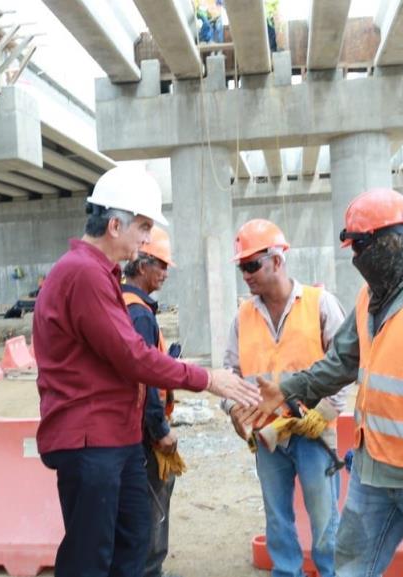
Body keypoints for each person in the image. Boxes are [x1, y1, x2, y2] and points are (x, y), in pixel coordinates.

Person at [242, 188, 403, 577]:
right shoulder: (368, 298)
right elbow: (340, 361)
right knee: (350, 568)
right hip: (372, 473)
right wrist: (289, 388)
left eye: (360, 246)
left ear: (393, 240)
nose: (356, 258)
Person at [33, 165, 260, 577]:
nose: (145, 238)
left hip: (113, 441)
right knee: (90, 557)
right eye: (142, 227)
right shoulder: (83, 273)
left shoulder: (97, 274)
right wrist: (207, 379)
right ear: (115, 224)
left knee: (134, 541)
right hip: (90, 441)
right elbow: (132, 356)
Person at [221, 218, 347, 577]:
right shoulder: (243, 316)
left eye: (251, 265)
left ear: (277, 261)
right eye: (242, 267)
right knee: (276, 515)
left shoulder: (320, 304)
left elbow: (345, 365)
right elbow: (229, 371)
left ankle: (330, 571)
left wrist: (324, 412)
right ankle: (286, 571)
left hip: (313, 436)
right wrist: (232, 406)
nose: (246, 275)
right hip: (267, 436)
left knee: (324, 517)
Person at [122, 225, 183, 577]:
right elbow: (143, 380)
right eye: (160, 264)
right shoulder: (139, 312)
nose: (165, 272)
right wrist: (160, 430)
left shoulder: (124, 303)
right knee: (153, 503)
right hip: (145, 433)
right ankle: (149, 570)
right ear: (142, 264)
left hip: (131, 427)